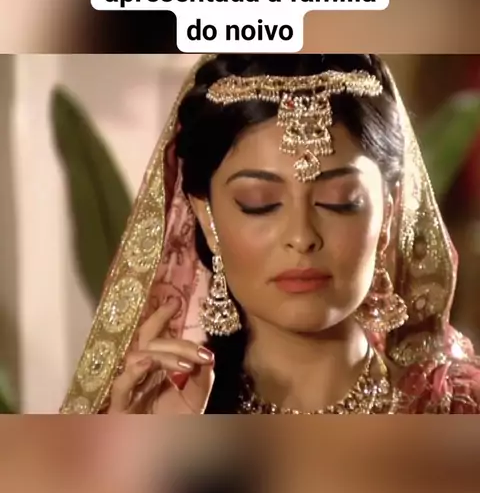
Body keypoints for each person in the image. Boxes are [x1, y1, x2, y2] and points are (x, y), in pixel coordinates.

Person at [61, 53, 480, 415]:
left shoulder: (454, 406)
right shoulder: (162, 409)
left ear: (388, 213)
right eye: (259, 203)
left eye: (339, 201)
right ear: (206, 217)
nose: (302, 236)